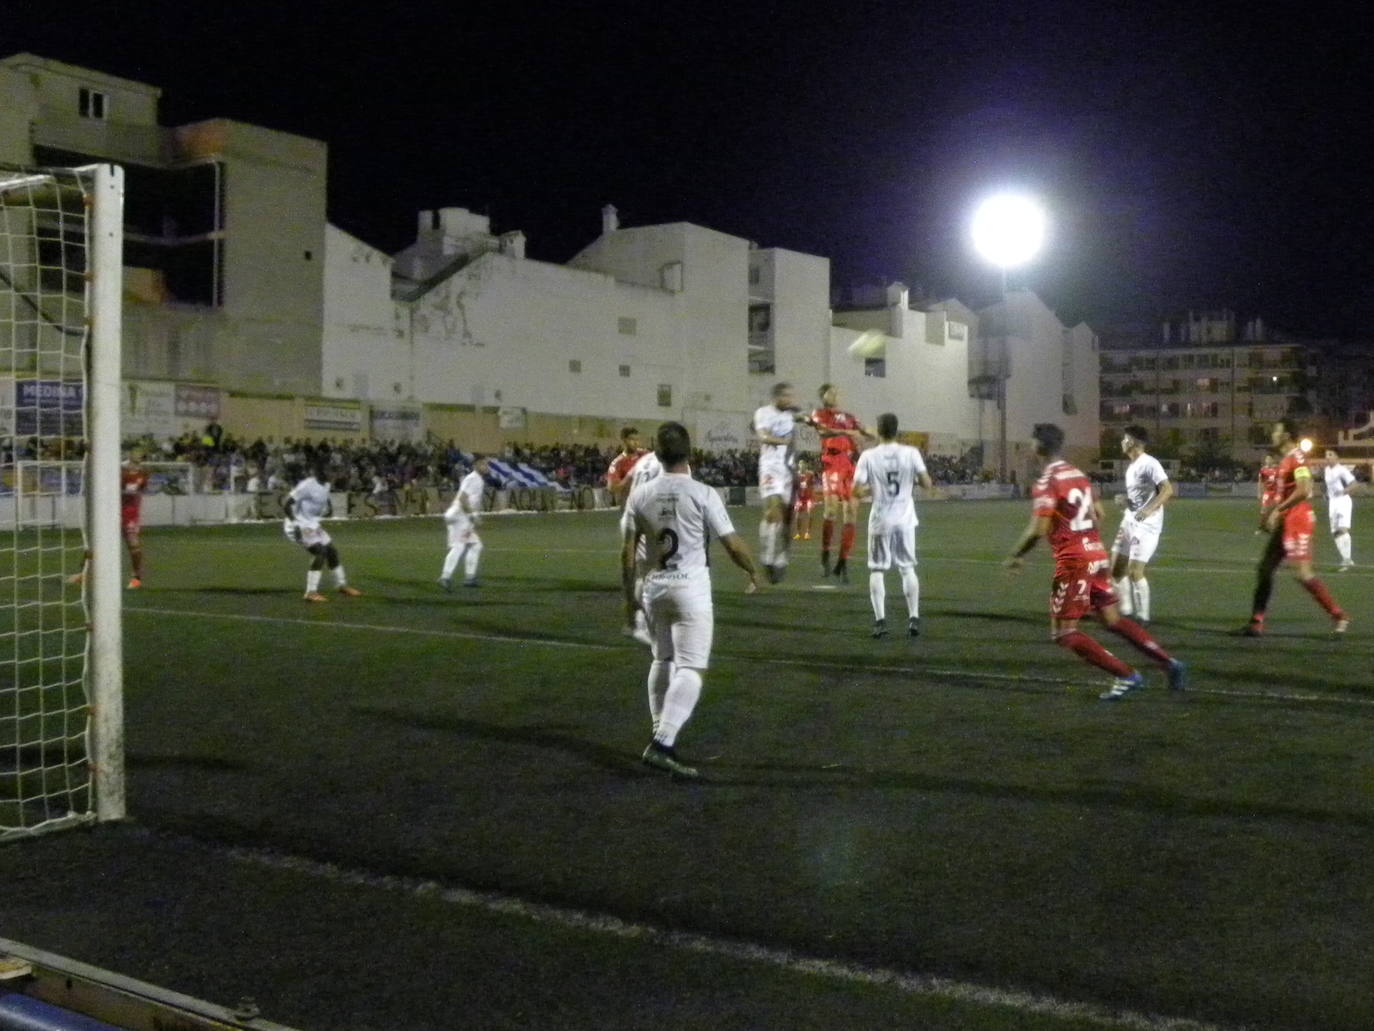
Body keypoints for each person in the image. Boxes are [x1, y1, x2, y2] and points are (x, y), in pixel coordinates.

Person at [1004, 423, 1186, 700]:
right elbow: (1099, 513)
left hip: (1074, 561)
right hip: (1096, 554)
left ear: (1038, 446)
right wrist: (1086, 540)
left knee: (1063, 633)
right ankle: (1169, 662)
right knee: (1112, 619)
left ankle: (1125, 675)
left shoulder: (1048, 481)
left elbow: (1038, 529)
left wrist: (1016, 555)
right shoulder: (1077, 474)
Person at [622, 422, 760, 778]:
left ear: (657, 454)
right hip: (690, 589)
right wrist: (751, 570)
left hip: (654, 587)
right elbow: (731, 544)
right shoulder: (703, 493)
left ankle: (659, 729)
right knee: (691, 668)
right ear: (690, 454)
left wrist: (629, 599)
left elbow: (627, 553)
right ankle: (662, 743)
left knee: (662, 658)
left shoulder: (640, 495)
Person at [1240, 420, 1347, 636]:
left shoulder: (1297, 457)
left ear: (1286, 435)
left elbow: (1304, 490)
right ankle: (1256, 623)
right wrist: (1273, 514)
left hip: (1298, 521)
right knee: (1265, 568)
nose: (1272, 435)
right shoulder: (1286, 460)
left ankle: (1339, 616)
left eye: (1276, 431)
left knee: (1303, 574)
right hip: (1285, 521)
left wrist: (1278, 510)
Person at [852, 413, 934, 638]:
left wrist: (873, 488)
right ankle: (913, 617)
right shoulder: (911, 453)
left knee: (877, 569)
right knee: (907, 568)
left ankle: (880, 621)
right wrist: (912, 480)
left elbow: (855, 491)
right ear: (897, 430)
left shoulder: (868, 456)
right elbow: (927, 484)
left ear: (878, 431)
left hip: (881, 519)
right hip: (905, 519)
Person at [1109, 425, 1174, 623]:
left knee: (1134, 571)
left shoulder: (1150, 463)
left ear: (1133, 442)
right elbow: (1138, 498)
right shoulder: (1131, 466)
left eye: (1125, 439)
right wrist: (1126, 501)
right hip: (1129, 520)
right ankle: (1126, 610)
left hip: (1147, 526)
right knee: (1116, 569)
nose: (1122, 442)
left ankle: (1143, 616)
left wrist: (1148, 510)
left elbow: (1167, 490)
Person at [809, 383, 873, 583]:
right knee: (830, 511)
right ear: (823, 396)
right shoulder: (819, 413)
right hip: (832, 463)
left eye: (837, 391)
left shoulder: (849, 417)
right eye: (831, 392)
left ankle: (843, 562)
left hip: (850, 465)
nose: (836, 394)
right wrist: (849, 433)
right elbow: (823, 432)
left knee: (851, 513)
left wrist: (869, 433)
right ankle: (825, 555)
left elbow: (867, 433)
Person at [284, 463, 362, 602]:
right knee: (319, 553)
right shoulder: (307, 485)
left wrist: (328, 507)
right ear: (320, 472)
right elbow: (287, 504)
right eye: (330, 471)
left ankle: (341, 585)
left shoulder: (326, 484)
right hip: (298, 525)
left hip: (312, 524)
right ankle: (310, 592)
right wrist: (295, 525)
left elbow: (325, 496)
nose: (333, 474)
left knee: (332, 551)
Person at [752, 382, 801, 583]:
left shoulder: (791, 415)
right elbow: (763, 436)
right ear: (777, 397)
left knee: (787, 519)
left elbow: (797, 435)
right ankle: (767, 558)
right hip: (770, 468)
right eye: (786, 396)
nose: (790, 399)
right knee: (773, 514)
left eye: (791, 396)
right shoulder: (763, 413)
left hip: (788, 471)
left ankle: (782, 556)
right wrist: (783, 441)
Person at [618, 447, 663, 646]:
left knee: (643, 572)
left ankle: (633, 620)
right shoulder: (670, 463)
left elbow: (625, 483)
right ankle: (640, 624)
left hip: (632, 516)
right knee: (654, 573)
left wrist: (626, 505)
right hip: (648, 521)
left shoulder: (644, 460)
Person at [439, 456, 489, 590]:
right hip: (460, 517)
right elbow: (462, 498)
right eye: (484, 464)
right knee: (459, 546)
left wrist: (473, 514)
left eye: (487, 464)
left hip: (462, 516)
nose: (486, 467)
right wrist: (473, 515)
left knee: (476, 545)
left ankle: (470, 578)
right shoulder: (472, 478)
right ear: (476, 465)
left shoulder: (477, 479)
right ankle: (445, 577)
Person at [1323, 449, 1358, 571]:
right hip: (1332, 503)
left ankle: (1347, 560)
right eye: (1326, 455)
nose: (1327, 457)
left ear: (1336, 457)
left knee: (1342, 529)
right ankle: (1346, 559)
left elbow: (1354, 484)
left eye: (1330, 454)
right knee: (1335, 532)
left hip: (1343, 501)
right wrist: (1327, 495)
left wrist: (1343, 491)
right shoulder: (1327, 470)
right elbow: (1330, 487)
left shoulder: (1342, 470)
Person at [121, 456, 150, 588]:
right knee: (96, 542)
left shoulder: (139, 477)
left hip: (130, 515)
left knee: (133, 545)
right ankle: (85, 573)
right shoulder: (122, 476)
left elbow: (136, 488)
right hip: (111, 514)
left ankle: (136, 578)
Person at [606, 426, 648, 505]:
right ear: (624, 440)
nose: (636, 443)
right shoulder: (618, 463)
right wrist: (629, 477)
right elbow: (611, 488)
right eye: (632, 439)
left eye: (637, 439)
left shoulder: (645, 455)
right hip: (631, 505)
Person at [1256, 451, 1280, 533]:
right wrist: (1259, 492)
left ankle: (1274, 527)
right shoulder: (1263, 470)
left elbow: (1282, 480)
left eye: (1269, 459)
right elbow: (1260, 482)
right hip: (1268, 492)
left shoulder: (1277, 469)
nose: (1268, 461)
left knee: (1277, 510)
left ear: (1273, 460)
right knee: (1263, 510)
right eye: (1267, 459)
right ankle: (1261, 527)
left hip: (1276, 492)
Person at [792, 459, 816, 541]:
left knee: (810, 513)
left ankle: (807, 533)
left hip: (809, 497)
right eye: (800, 464)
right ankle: (798, 533)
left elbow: (813, 485)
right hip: (800, 498)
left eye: (803, 464)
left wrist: (810, 491)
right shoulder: (796, 475)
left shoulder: (810, 474)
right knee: (798, 516)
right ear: (798, 465)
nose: (802, 465)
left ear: (806, 465)